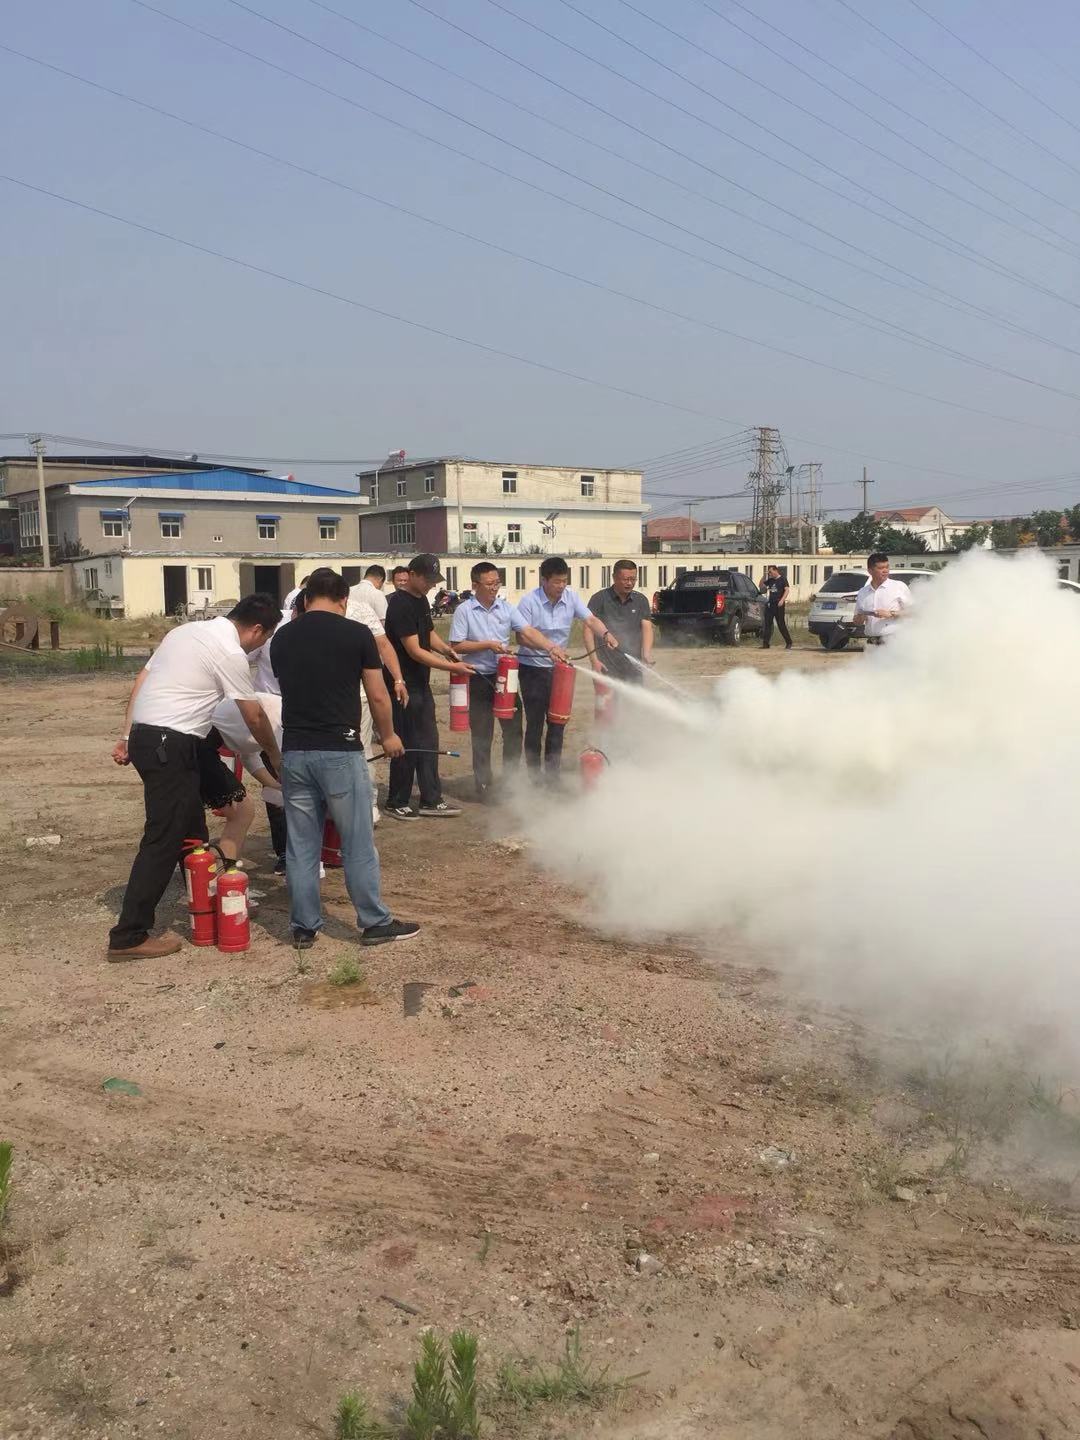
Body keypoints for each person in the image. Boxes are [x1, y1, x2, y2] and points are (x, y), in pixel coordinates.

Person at [107, 595, 283, 960]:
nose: (258, 648)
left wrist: (126, 734)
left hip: (152, 738)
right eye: (264, 639)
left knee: (191, 832)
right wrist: (276, 756)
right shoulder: (229, 652)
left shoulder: (184, 632)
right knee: (164, 836)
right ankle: (128, 935)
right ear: (256, 629)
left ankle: (206, 900)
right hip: (170, 743)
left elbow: (142, 680)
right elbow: (253, 715)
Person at [270, 569, 418, 948]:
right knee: (357, 841)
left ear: (305, 599)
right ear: (344, 600)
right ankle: (374, 921)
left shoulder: (282, 637)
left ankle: (304, 927)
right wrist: (389, 735)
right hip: (340, 749)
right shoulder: (357, 634)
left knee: (302, 844)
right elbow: (378, 694)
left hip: (295, 751)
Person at [384, 554, 475, 820]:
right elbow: (414, 650)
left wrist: (447, 650)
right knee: (408, 742)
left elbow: (429, 633)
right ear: (411, 574)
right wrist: (451, 667)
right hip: (403, 684)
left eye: (434, 580)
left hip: (421, 684)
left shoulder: (422, 599)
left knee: (428, 740)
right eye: (427, 579)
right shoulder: (399, 604)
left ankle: (431, 799)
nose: (431, 585)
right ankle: (397, 799)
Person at [511, 556, 619, 778]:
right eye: (556, 582)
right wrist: (548, 649)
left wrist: (606, 633)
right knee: (535, 724)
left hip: (560, 671)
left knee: (558, 722)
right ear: (544, 580)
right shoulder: (529, 601)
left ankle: (553, 775)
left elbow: (590, 620)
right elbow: (521, 638)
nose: (561, 586)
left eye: (564, 581)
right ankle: (534, 776)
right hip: (532, 668)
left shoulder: (571, 597)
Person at [449, 561, 526, 800]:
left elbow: (527, 631)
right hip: (479, 677)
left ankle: (512, 782)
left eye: (497, 583)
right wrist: (487, 645)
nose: (494, 588)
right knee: (482, 734)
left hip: (505, 677)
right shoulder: (464, 610)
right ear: (475, 585)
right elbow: (456, 645)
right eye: (489, 583)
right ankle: (483, 784)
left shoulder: (506, 608)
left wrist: (550, 647)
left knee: (514, 730)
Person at [585, 559, 654, 683]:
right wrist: (594, 660)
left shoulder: (641, 600)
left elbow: (647, 628)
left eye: (633, 579)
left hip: (633, 665)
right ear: (614, 578)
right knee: (607, 696)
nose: (629, 583)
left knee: (634, 696)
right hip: (606, 665)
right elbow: (588, 629)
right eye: (625, 579)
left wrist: (646, 653)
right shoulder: (599, 599)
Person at [853, 552, 915, 640]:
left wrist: (891, 614)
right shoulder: (863, 592)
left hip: (894, 640)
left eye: (887, 567)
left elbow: (913, 612)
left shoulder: (899, 586)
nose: (885, 571)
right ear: (870, 571)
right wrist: (860, 618)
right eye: (881, 568)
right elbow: (856, 620)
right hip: (871, 641)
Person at [759, 564, 793, 650]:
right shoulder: (770, 580)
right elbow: (761, 586)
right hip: (770, 605)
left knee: (781, 624)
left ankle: (789, 642)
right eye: (769, 572)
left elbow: (787, 590)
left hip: (779, 604)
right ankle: (765, 644)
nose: (770, 574)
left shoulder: (783, 579)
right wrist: (764, 575)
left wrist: (782, 600)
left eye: (771, 572)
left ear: (775, 570)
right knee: (767, 624)